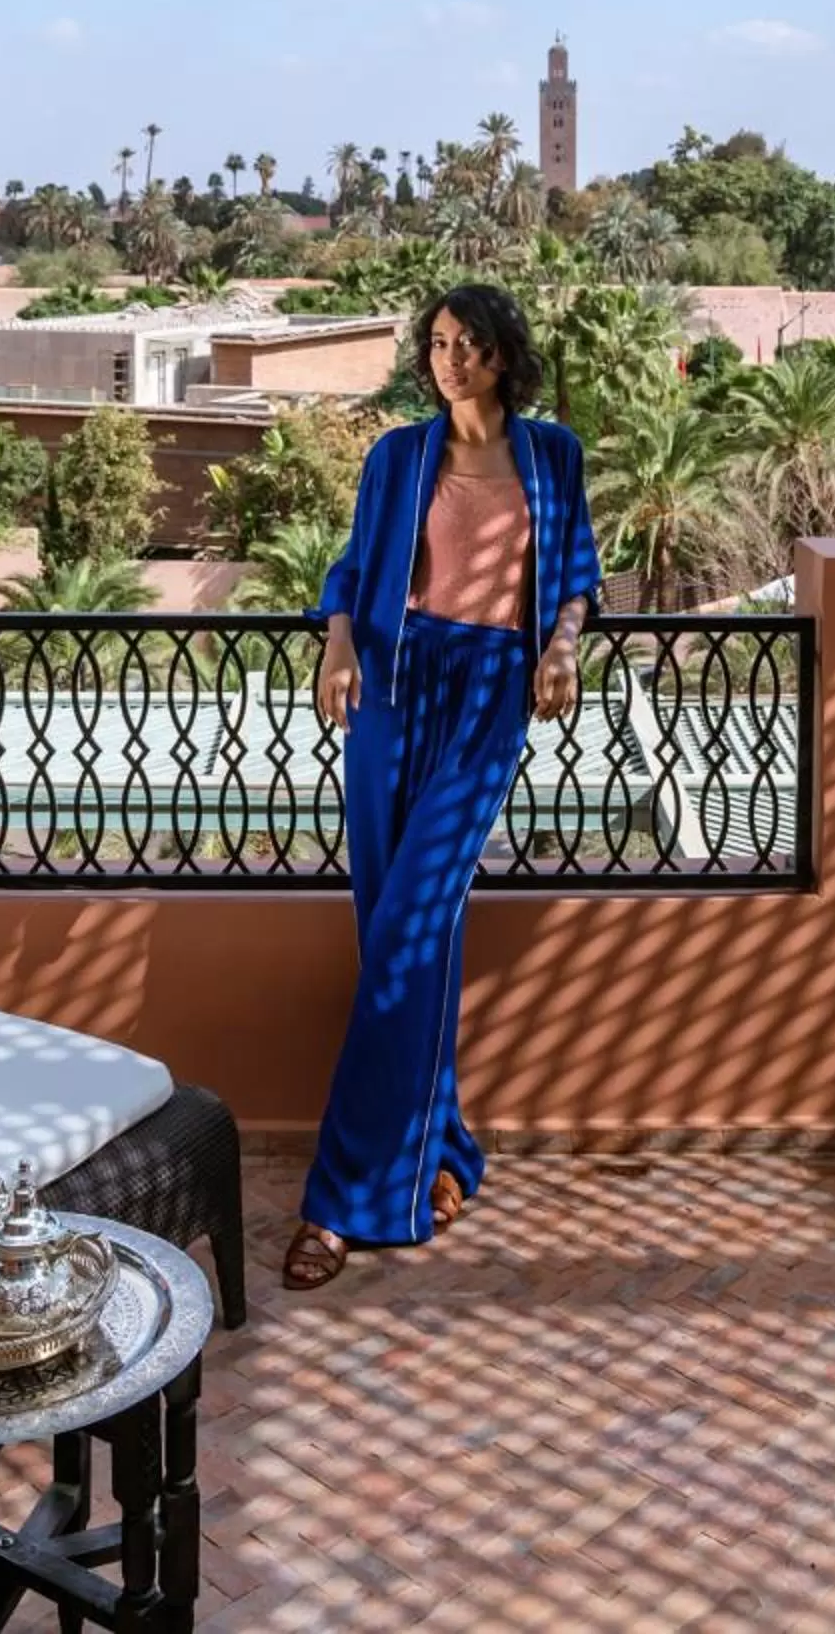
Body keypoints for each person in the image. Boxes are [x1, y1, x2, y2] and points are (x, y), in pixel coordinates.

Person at [282, 282, 601, 1290]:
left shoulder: (550, 455)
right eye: (437, 342)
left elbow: (577, 572)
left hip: (487, 697)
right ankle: (438, 1148)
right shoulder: (398, 457)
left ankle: (342, 1204)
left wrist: (562, 646)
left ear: (504, 356)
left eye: (468, 343)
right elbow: (351, 571)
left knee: (411, 931)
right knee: (395, 935)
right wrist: (337, 646)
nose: (449, 358)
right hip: (391, 688)